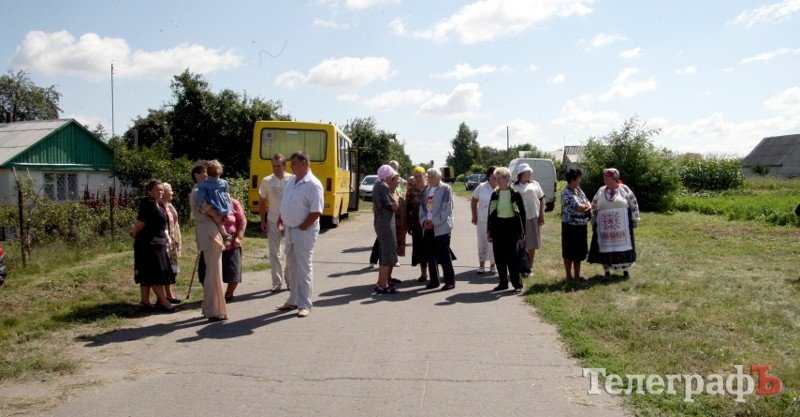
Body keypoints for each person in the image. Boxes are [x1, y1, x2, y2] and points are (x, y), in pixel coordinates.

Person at [276, 152, 323, 318]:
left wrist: (303, 226)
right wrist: (282, 217)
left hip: (304, 231)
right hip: (290, 229)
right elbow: (286, 201)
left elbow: (316, 210)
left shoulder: (313, 184)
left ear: (304, 163)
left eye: (294, 163)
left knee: (303, 266)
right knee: (291, 265)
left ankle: (305, 304)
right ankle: (293, 299)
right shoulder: (291, 181)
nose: (290, 166)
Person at [190, 162, 228, 322]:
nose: (208, 176)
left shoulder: (205, 189)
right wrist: (221, 217)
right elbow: (211, 212)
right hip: (208, 232)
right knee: (214, 273)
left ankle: (211, 308)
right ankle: (213, 310)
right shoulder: (198, 191)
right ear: (197, 175)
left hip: (210, 231)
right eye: (204, 173)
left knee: (214, 272)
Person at [131, 180, 176, 312]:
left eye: (162, 190)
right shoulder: (148, 204)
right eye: (157, 190)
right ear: (149, 191)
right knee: (155, 273)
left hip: (158, 243)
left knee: (149, 272)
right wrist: (134, 233)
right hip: (148, 244)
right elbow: (140, 223)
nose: (160, 192)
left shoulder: (159, 205)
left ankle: (145, 301)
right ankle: (163, 301)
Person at [588, 168, 640, 277]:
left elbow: (634, 204)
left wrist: (635, 219)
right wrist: (593, 221)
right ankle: (606, 270)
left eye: (608, 178)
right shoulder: (601, 190)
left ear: (615, 179)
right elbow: (593, 205)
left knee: (623, 248)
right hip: (604, 227)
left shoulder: (624, 189)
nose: (605, 180)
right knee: (606, 248)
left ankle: (625, 269)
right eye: (604, 178)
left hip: (622, 227)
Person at [487, 167, 527, 293]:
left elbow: (522, 214)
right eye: (495, 178)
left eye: (499, 178)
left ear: (506, 179)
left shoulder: (515, 193)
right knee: (499, 257)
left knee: (512, 257)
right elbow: (490, 213)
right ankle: (503, 283)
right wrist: (489, 230)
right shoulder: (495, 194)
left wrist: (522, 232)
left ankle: (517, 284)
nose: (496, 181)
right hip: (497, 227)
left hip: (511, 227)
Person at [199, 197, 246, 302]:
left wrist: (239, 237)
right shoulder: (207, 203)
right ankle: (214, 295)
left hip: (231, 242)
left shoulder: (233, 203)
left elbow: (242, 220)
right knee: (205, 271)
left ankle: (228, 294)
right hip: (211, 242)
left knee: (233, 272)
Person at [419, 168, 456, 291]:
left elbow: (447, 209)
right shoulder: (427, 190)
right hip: (428, 227)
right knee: (430, 255)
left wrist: (434, 222)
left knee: (444, 254)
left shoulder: (446, 189)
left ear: (438, 178)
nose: (428, 178)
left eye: (430, 176)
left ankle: (450, 281)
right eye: (428, 176)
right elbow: (423, 208)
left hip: (441, 227)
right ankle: (434, 281)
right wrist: (424, 221)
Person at [259, 153, 292, 292]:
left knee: (290, 251)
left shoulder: (292, 179)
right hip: (272, 219)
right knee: (274, 252)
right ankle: (277, 282)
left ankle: (290, 280)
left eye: (279, 165)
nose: (276, 168)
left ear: (284, 165)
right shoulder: (266, 181)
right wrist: (263, 219)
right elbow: (262, 201)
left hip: (290, 221)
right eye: (274, 165)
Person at [372, 165, 401, 294]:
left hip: (380, 221)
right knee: (386, 254)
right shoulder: (383, 187)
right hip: (385, 223)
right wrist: (397, 200)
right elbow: (394, 206)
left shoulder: (377, 185)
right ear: (387, 176)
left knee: (384, 252)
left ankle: (380, 282)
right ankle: (383, 285)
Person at [513, 163, 545, 274]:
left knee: (532, 243)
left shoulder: (535, 184)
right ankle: (520, 265)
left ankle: (530, 267)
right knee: (519, 243)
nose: (530, 173)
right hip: (518, 219)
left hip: (532, 216)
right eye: (527, 172)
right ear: (521, 173)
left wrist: (542, 215)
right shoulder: (513, 186)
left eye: (529, 171)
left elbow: (541, 199)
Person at [561, 168, 592, 281]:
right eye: (579, 178)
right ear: (573, 179)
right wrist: (587, 207)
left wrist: (587, 206)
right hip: (570, 226)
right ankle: (569, 276)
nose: (580, 180)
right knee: (569, 252)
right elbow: (579, 207)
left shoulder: (578, 190)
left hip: (581, 226)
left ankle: (577, 276)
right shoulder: (566, 192)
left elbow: (587, 201)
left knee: (579, 252)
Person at [194, 159, 233, 242]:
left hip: (215, 206)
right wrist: (229, 206)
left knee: (218, 222)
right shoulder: (224, 182)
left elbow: (201, 196)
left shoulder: (203, 185)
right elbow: (227, 194)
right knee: (223, 220)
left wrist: (197, 206)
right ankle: (227, 234)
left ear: (207, 172)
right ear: (219, 172)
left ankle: (224, 235)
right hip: (224, 206)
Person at [471, 166, 497, 275]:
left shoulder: (501, 187)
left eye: (497, 176)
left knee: (493, 244)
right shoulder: (481, 187)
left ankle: (493, 265)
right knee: (482, 242)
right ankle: (481, 265)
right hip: (482, 219)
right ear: (488, 176)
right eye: (493, 176)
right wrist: (474, 215)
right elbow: (474, 200)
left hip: (496, 222)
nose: (495, 178)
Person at [405, 165, 429, 282]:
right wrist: (408, 225)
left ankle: (436, 272)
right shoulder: (411, 191)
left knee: (431, 248)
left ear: (425, 176)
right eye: (416, 176)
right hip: (416, 225)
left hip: (429, 224)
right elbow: (407, 208)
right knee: (419, 249)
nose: (418, 178)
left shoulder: (430, 188)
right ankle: (423, 273)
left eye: (420, 176)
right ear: (413, 178)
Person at [161, 182, 182, 304]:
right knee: (167, 268)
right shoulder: (160, 206)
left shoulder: (169, 205)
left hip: (173, 241)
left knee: (172, 269)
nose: (172, 192)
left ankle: (170, 294)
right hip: (165, 241)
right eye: (170, 190)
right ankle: (167, 295)